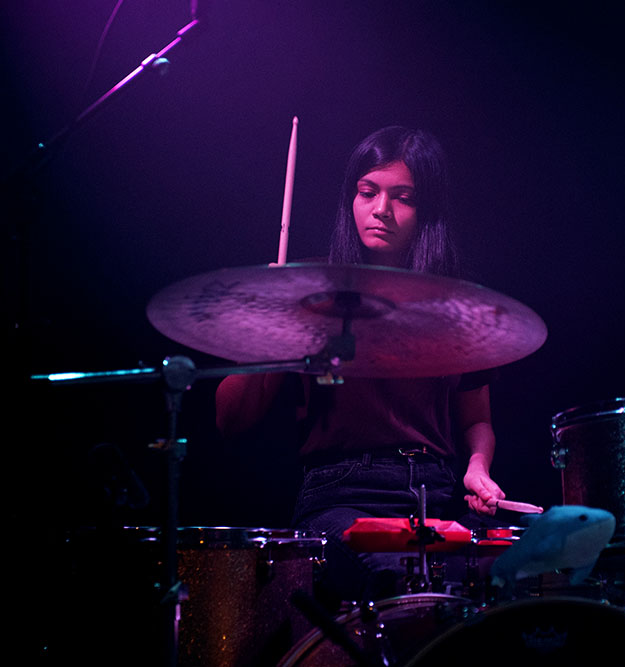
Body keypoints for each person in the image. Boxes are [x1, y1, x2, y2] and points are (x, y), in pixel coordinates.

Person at [215, 126, 506, 606]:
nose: (381, 210)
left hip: (434, 496)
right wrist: (269, 318)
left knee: (501, 585)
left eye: (403, 197)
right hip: (342, 493)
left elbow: (476, 419)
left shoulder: (452, 303)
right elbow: (230, 419)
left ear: (426, 210)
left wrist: (478, 466)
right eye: (368, 192)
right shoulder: (311, 287)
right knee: (400, 586)